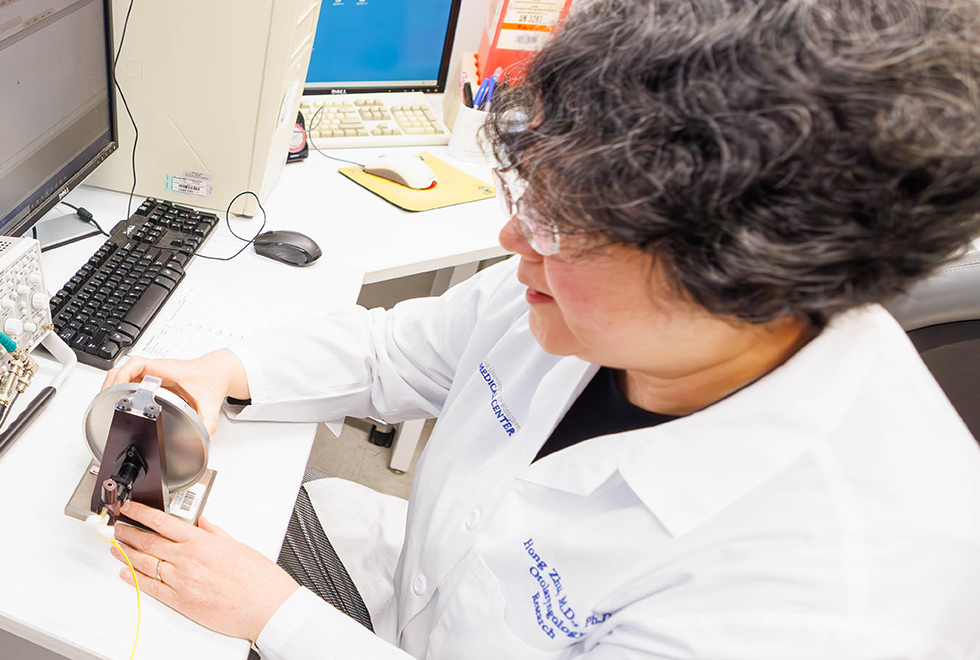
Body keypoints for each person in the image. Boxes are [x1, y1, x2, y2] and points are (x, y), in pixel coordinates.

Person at [99, 0, 980, 657]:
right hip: (421, 606)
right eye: (534, 192)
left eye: (560, 220)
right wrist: (223, 367)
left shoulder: (835, 593)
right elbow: (400, 348)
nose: (513, 237)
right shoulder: (585, 303)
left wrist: (277, 617)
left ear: (742, 269)